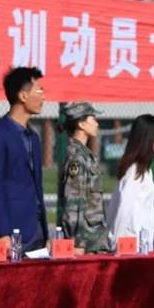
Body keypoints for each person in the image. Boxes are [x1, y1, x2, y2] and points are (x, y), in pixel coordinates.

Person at [0, 67, 48, 254]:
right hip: (10, 236)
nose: (43, 98)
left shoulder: (34, 137)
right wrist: (2, 233)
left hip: (36, 234)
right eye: (39, 91)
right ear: (23, 96)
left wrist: (45, 233)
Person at [57, 102, 110, 254]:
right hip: (85, 243)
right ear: (81, 124)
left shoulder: (84, 154)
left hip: (93, 238)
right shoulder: (77, 157)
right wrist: (77, 241)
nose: (97, 123)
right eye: (93, 119)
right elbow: (74, 201)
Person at [107, 114, 154, 247]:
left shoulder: (144, 170)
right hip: (131, 244)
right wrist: (117, 243)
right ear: (152, 139)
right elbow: (123, 208)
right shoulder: (134, 172)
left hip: (141, 242)